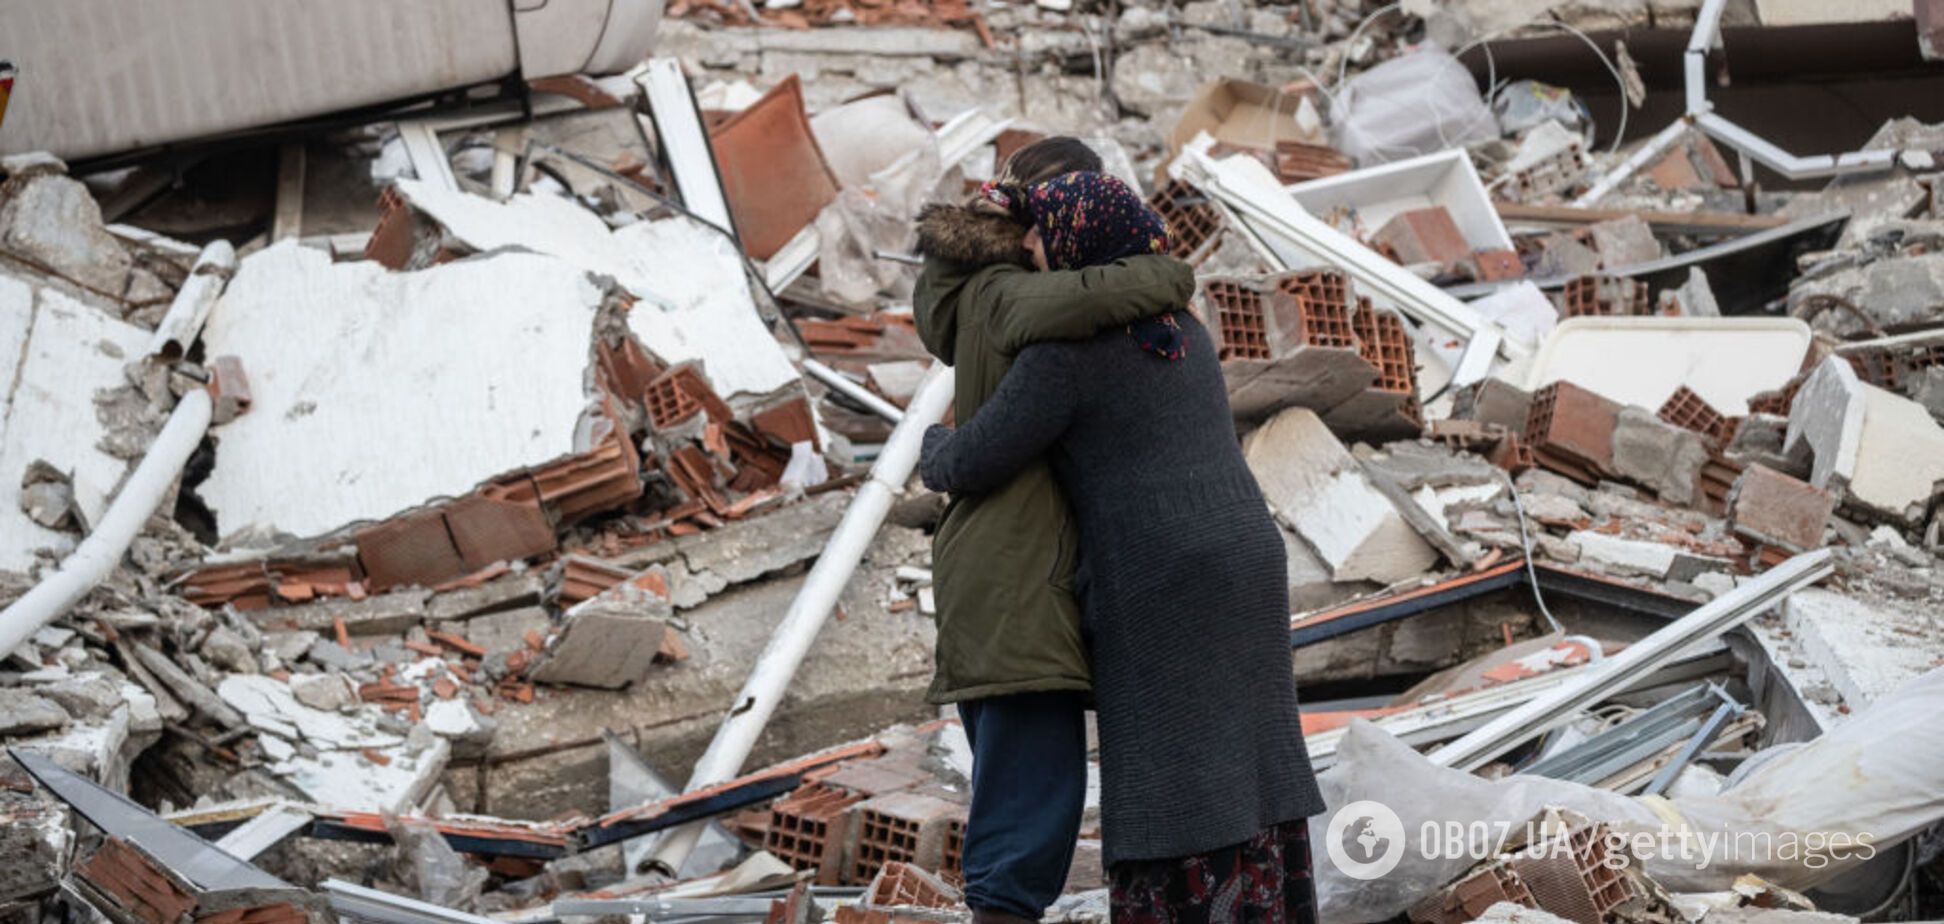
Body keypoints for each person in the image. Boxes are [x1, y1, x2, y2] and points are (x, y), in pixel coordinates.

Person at [918, 171, 1325, 924]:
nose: (1031, 247)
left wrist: (932, 443)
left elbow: (978, 457)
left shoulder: (1067, 352)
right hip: (1250, 555)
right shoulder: (1185, 331)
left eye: (1042, 232)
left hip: (1159, 571)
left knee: (1169, 776)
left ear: (1076, 242)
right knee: (1252, 757)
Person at [912, 140, 1195, 924]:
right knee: (1030, 803)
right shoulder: (1007, 293)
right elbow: (1075, 304)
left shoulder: (970, 287)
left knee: (1018, 784)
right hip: (1016, 573)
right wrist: (1166, 274)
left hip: (996, 567)